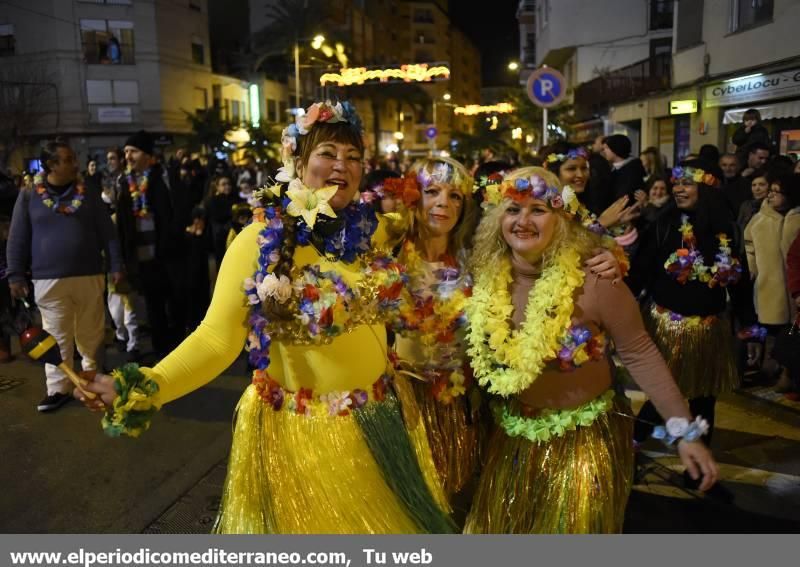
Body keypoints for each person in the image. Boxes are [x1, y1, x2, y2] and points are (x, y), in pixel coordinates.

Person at [76, 101, 455, 534]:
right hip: (305, 441)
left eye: (353, 157)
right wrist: (148, 385)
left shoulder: (373, 230)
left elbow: (435, 219)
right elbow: (217, 340)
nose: (342, 166)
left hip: (382, 425)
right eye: (328, 153)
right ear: (296, 161)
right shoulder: (258, 242)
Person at [462, 166, 717, 534]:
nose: (523, 221)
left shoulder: (596, 278)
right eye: (513, 209)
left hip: (584, 446)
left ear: (561, 219)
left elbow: (639, 351)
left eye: (538, 209)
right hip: (513, 440)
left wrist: (684, 432)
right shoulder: (484, 279)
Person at [630, 160, 757, 450]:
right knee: (664, 393)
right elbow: (640, 272)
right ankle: (633, 446)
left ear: (706, 187)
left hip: (709, 327)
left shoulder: (725, 229)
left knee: (704, 398)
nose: (678, 189)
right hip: (668, 324)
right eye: (676, 183)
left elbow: (739, 281)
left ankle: (698, 469)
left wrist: (749, 326)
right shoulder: (663, 223)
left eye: (686, 183)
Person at [6, 140, 123, 411]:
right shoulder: (28, 195)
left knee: (90, 332)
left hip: (89, 275)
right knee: (55, 336)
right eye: (68, 159)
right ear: (51, 165)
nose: (75, 163)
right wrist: (15, 275)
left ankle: (92, 381)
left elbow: (108, 233)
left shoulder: (88, 192)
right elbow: (17, 238)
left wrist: (116, 264)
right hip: (48, 280)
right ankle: (59, 388)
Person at [115, 130, 184, 357]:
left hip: (166, 254)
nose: (128, 156)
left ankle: (179, 347)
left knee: (173, 302)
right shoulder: (124, 181)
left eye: (133, 151)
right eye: (126, 152)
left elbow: (174, 213)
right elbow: (123, 223)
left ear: (146, 154)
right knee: (152, 305)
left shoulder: (161, 176)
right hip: (141, 256)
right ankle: (161, 349)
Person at [744, 173, 800, 393]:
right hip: (770, 284)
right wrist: (751, 268)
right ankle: (769, 367)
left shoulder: (796, 218)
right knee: (770, 328)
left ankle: (788, 373)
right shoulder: (760, 219)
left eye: (778, 192)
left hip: (793, 285)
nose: (772, 195)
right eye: (772, 191)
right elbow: (749, 245)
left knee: (792, 330)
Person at [602, 134, 647, 201]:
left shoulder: (632, 170)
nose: (604, 151)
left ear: (615, 148)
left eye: (607, 148)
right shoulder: (616, 169)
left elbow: (623, 197)